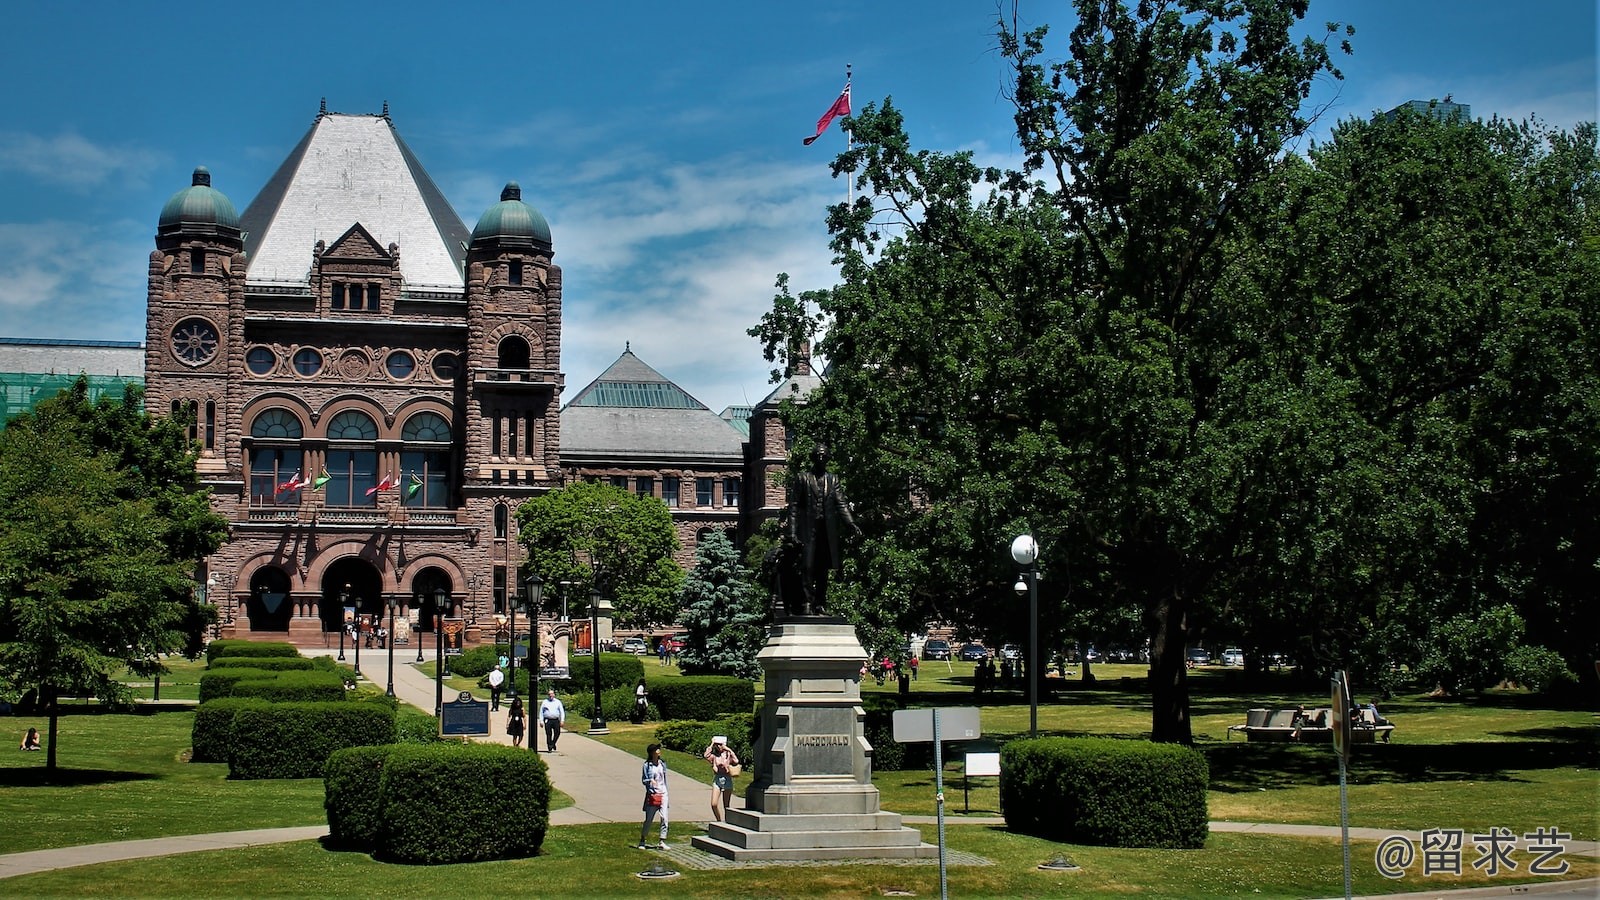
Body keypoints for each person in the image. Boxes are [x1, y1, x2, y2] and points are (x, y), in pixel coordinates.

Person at [638, 742, 670, 850]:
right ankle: (642, 840)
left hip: (663, 793)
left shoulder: (663, 763)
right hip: (653, 794)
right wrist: (650, 781)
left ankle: (662, 840)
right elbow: (644, 780)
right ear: (652, 752)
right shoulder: (647, 765)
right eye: (656, 749)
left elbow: (664, 778)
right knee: (649, 819)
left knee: (664, 818)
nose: (659, 751)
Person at [703, 735, 740, 822]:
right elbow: (706, 755)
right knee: (714, 804)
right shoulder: (715, 756)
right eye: (717, 745)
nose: (719, 747)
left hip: (727, 779)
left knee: (726, 805)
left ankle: (728, 821)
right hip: (717, 779)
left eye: (720, 744)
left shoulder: (728, 754)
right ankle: (719, 820)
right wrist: (712, 744)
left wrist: (728, 749)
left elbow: (736, 761)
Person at [539, 687, 566, 752]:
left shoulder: (558, 702)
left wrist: (562, 720)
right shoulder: (545, 702)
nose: (551, 695)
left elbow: (562, 712)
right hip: (547, 720)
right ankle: (549, 746)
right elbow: (541, 712)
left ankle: (553, 743)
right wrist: (541, 721)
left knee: (557, 733)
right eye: (549, 694)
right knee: (548, 734)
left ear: (554, 694)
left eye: (552, 694)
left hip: (556, 720)